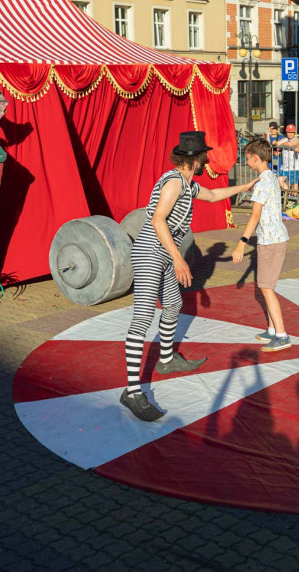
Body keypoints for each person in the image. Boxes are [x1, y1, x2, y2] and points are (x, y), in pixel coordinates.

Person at [121, 131, 257, 422]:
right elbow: (157, 220)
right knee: (143, 318)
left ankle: (167, 360)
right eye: (204, 157)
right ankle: (132, 392)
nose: (206, 161)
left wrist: (246, 185)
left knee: (172, 304)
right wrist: (179, 258)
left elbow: (213, 195)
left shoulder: (187, 184)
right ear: (196, 159)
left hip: (166, 253)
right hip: (150, 253)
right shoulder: (172, 182)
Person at [233, 139, 292, 351]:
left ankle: (283, 335)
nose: (246, 162)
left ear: (256, 158)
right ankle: (272, 329)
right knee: (265, 286)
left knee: (266, 288)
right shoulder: (270, 177)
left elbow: (254, 215)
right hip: (272, 239)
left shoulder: (262, 183)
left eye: (247, 158)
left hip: (271, 241)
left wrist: (241, 243)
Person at [275, 123, 299, 193]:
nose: (290, 134)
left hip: (294, 166)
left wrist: (281, 144)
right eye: (288, 132)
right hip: (285, 166)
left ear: (294, 132)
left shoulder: (297, 140)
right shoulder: (285, 139)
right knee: (279, 179)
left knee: (294, 183)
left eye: (291, 132)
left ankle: (295, 197)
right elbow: (277, 143)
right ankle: (289, 195)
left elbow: (290, 144)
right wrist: (278, 143)